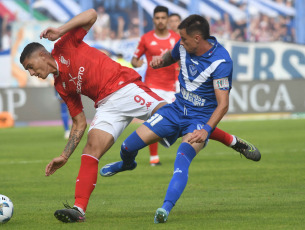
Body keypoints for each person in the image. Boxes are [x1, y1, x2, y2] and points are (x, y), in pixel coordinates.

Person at [100, 14, 261, 223]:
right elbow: (171, 56)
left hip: (199, 120)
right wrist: (159, 62)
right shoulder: (184, 46)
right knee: (127, 147)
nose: (180, 42)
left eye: (183, 39)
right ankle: (126, 164)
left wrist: (205, 130)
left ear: (197, 38)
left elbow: (223, 105)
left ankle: (165, 209)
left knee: (181, 161)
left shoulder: (221, 61)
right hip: (175, 110)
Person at [19, 9, 166, 223]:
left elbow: (91, 14)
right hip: (106, 106)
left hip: (124, 86)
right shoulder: (61, 86)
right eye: (28, 71)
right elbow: (79, 122)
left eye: (30, 67)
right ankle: (79, 209)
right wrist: (65, 155)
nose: (32, 73)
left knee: (171, 117)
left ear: (42, 55)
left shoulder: (64, 45)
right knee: (91, 149)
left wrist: (60, 30)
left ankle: (220, 134)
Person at [131, 6, 180, 166]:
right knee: (155, 120)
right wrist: (141, 62)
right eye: (157, 18)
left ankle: (166, 137)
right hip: (152, 86)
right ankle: (154, 158)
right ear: (153, 20)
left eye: (163, 18)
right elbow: (134, 60)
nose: (160, 21)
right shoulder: (145, 38)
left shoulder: (175, 37)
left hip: (172, 86)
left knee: (177, 121)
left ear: (167, 20)